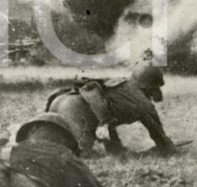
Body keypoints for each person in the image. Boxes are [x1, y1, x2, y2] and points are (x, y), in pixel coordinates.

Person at [45, 63, 176, 156]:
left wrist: (116, 149)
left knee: (51, 140)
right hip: (76, 108)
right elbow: (157, 133)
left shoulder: (123, 84)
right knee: (81, 155)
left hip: (62, 100)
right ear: (150, 87)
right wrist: (168, 147)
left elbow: (107, 115)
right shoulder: (144, 104)